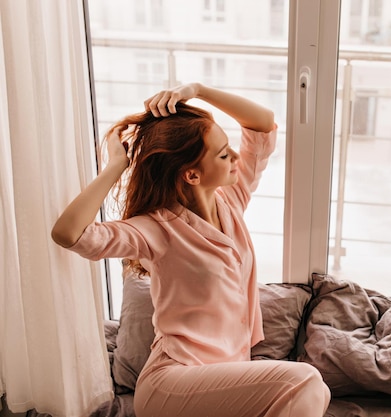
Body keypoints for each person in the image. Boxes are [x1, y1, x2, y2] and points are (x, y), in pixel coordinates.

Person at [51, 82, 331, 417]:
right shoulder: (156, 228)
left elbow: (262, 123)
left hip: (223, 381)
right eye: (224, 154)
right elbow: (69, 234)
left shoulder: (230, 201)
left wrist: (197, 91)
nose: (236, 158)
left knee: (315, 393)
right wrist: (115, 167)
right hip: (174, 382)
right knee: (304, 381)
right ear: (192, 175)